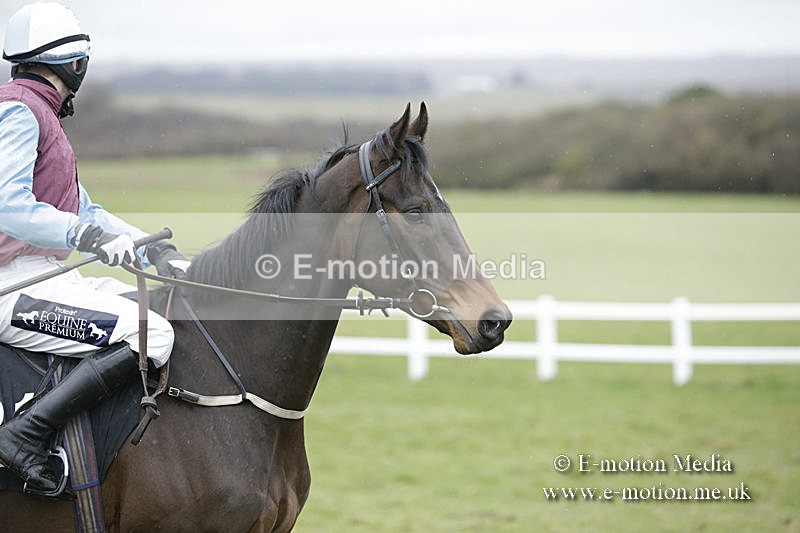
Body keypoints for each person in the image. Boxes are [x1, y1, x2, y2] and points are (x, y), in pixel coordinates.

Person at [0, 2, 189, 493]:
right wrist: (83, 237)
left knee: (140, 305)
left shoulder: (41, 115)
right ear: (75, 64)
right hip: (10, 284)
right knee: (150, 335)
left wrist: (154, 253)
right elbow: (8, 206)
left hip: (41, 273)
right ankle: (24, 435)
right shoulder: (20, 110)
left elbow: (88, 213)